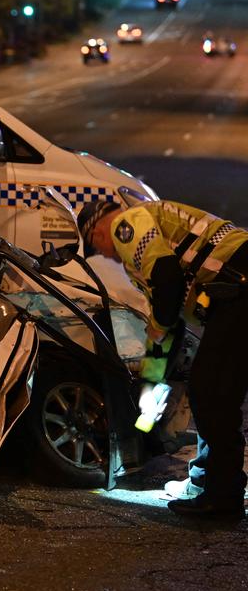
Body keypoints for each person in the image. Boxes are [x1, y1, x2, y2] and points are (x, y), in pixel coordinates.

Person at [78, 199, 248, 521]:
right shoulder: (153, 225)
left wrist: (156, 338)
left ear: (97, 230)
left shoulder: (126, 224)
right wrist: (151, 378)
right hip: (235, 288)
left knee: (210, 393)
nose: (106, 255)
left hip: (238, 289)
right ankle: (211, 485)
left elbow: (167, 284)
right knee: (215, 392)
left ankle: (223, 498)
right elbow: (169, 322)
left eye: (98, 248)